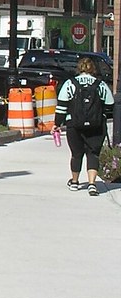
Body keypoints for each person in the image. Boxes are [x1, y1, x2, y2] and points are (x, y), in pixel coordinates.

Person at [54, 57, 114, 195]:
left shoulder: (70, 84)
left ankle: (75, 182)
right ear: (93, 69)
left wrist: (57, 124)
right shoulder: (101, 84)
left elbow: (62, 107)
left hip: (74, 125)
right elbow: (110, 104)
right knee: (93, 154)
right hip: (96, 126)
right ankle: (92, 184)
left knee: (76, 154)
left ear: (79, 68)